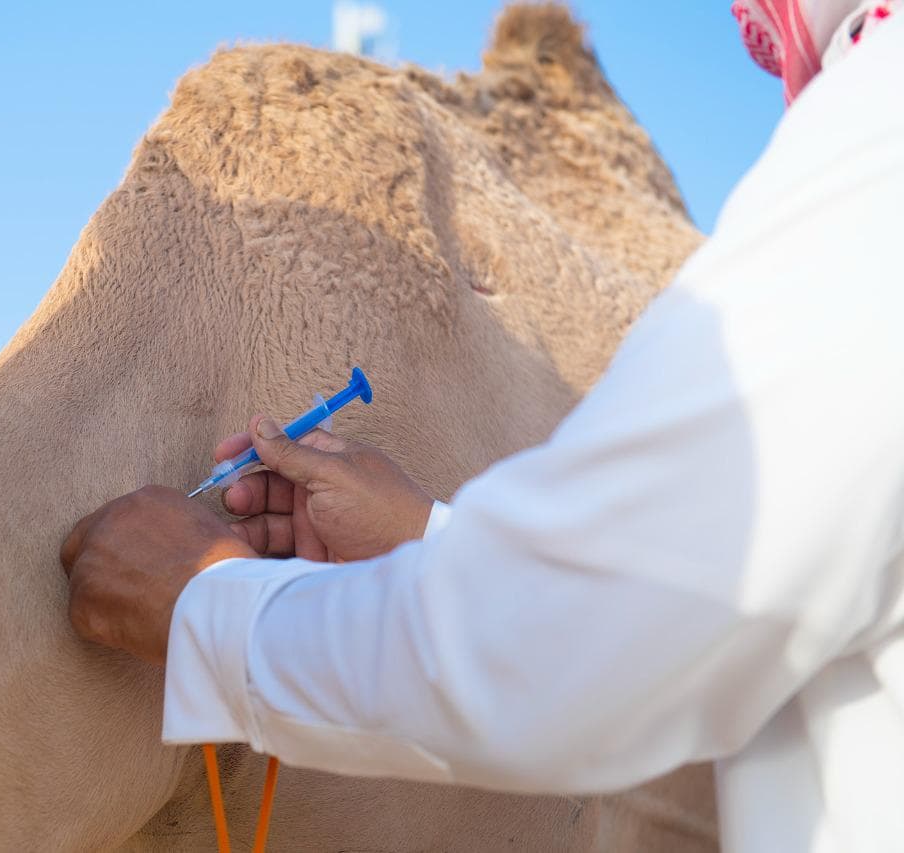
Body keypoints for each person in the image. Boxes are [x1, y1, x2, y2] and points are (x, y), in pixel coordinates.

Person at [59, 3, 904, 850]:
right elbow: (701, 601)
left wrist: (207, 609)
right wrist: (429, 536)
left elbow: (592, 649)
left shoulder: (872, 144)